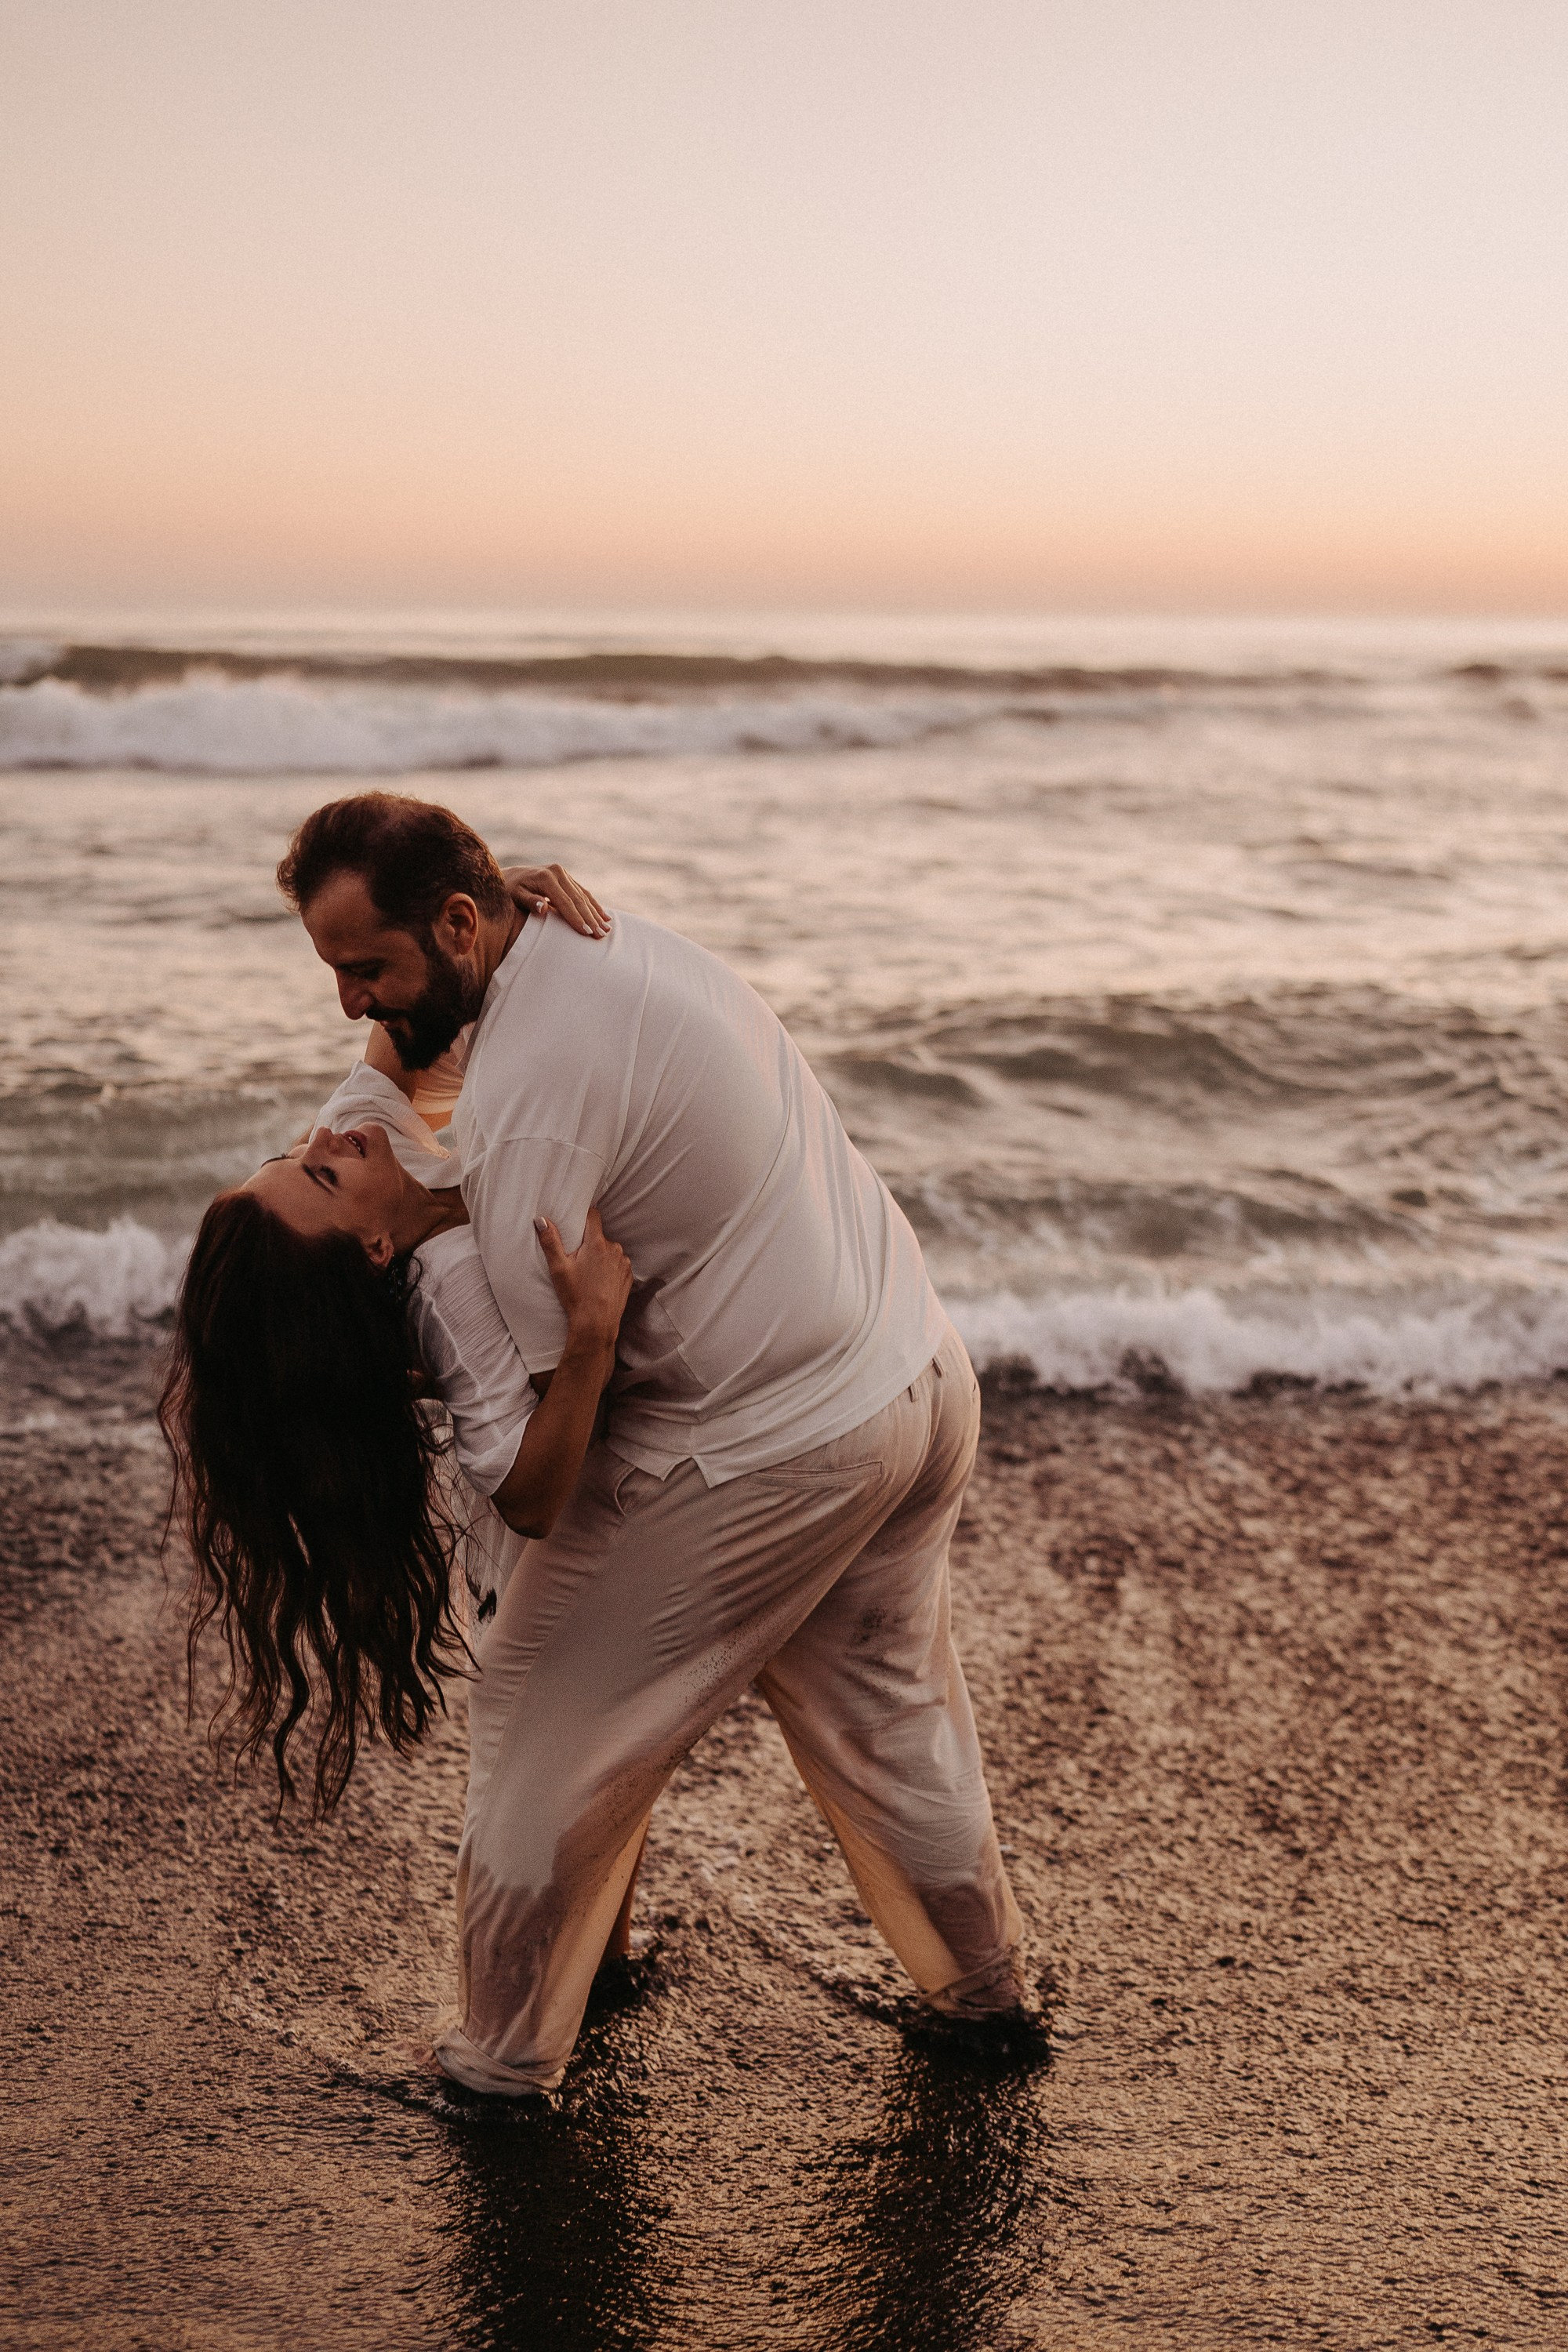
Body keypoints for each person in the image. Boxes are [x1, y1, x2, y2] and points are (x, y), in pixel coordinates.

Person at [261, 791, 1027, 2097]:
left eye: (368, 969)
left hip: (777, 1447)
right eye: (334, 971)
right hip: (909, 1374)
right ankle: (986, 1996)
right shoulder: (585, 950)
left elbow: (547, 1460)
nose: (350, 1004)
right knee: (890, 1715)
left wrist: (382, 1342)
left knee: (541, 1704)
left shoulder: (529, 1114)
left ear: (461, 925)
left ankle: (503, 2061)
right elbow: (386, 1094)